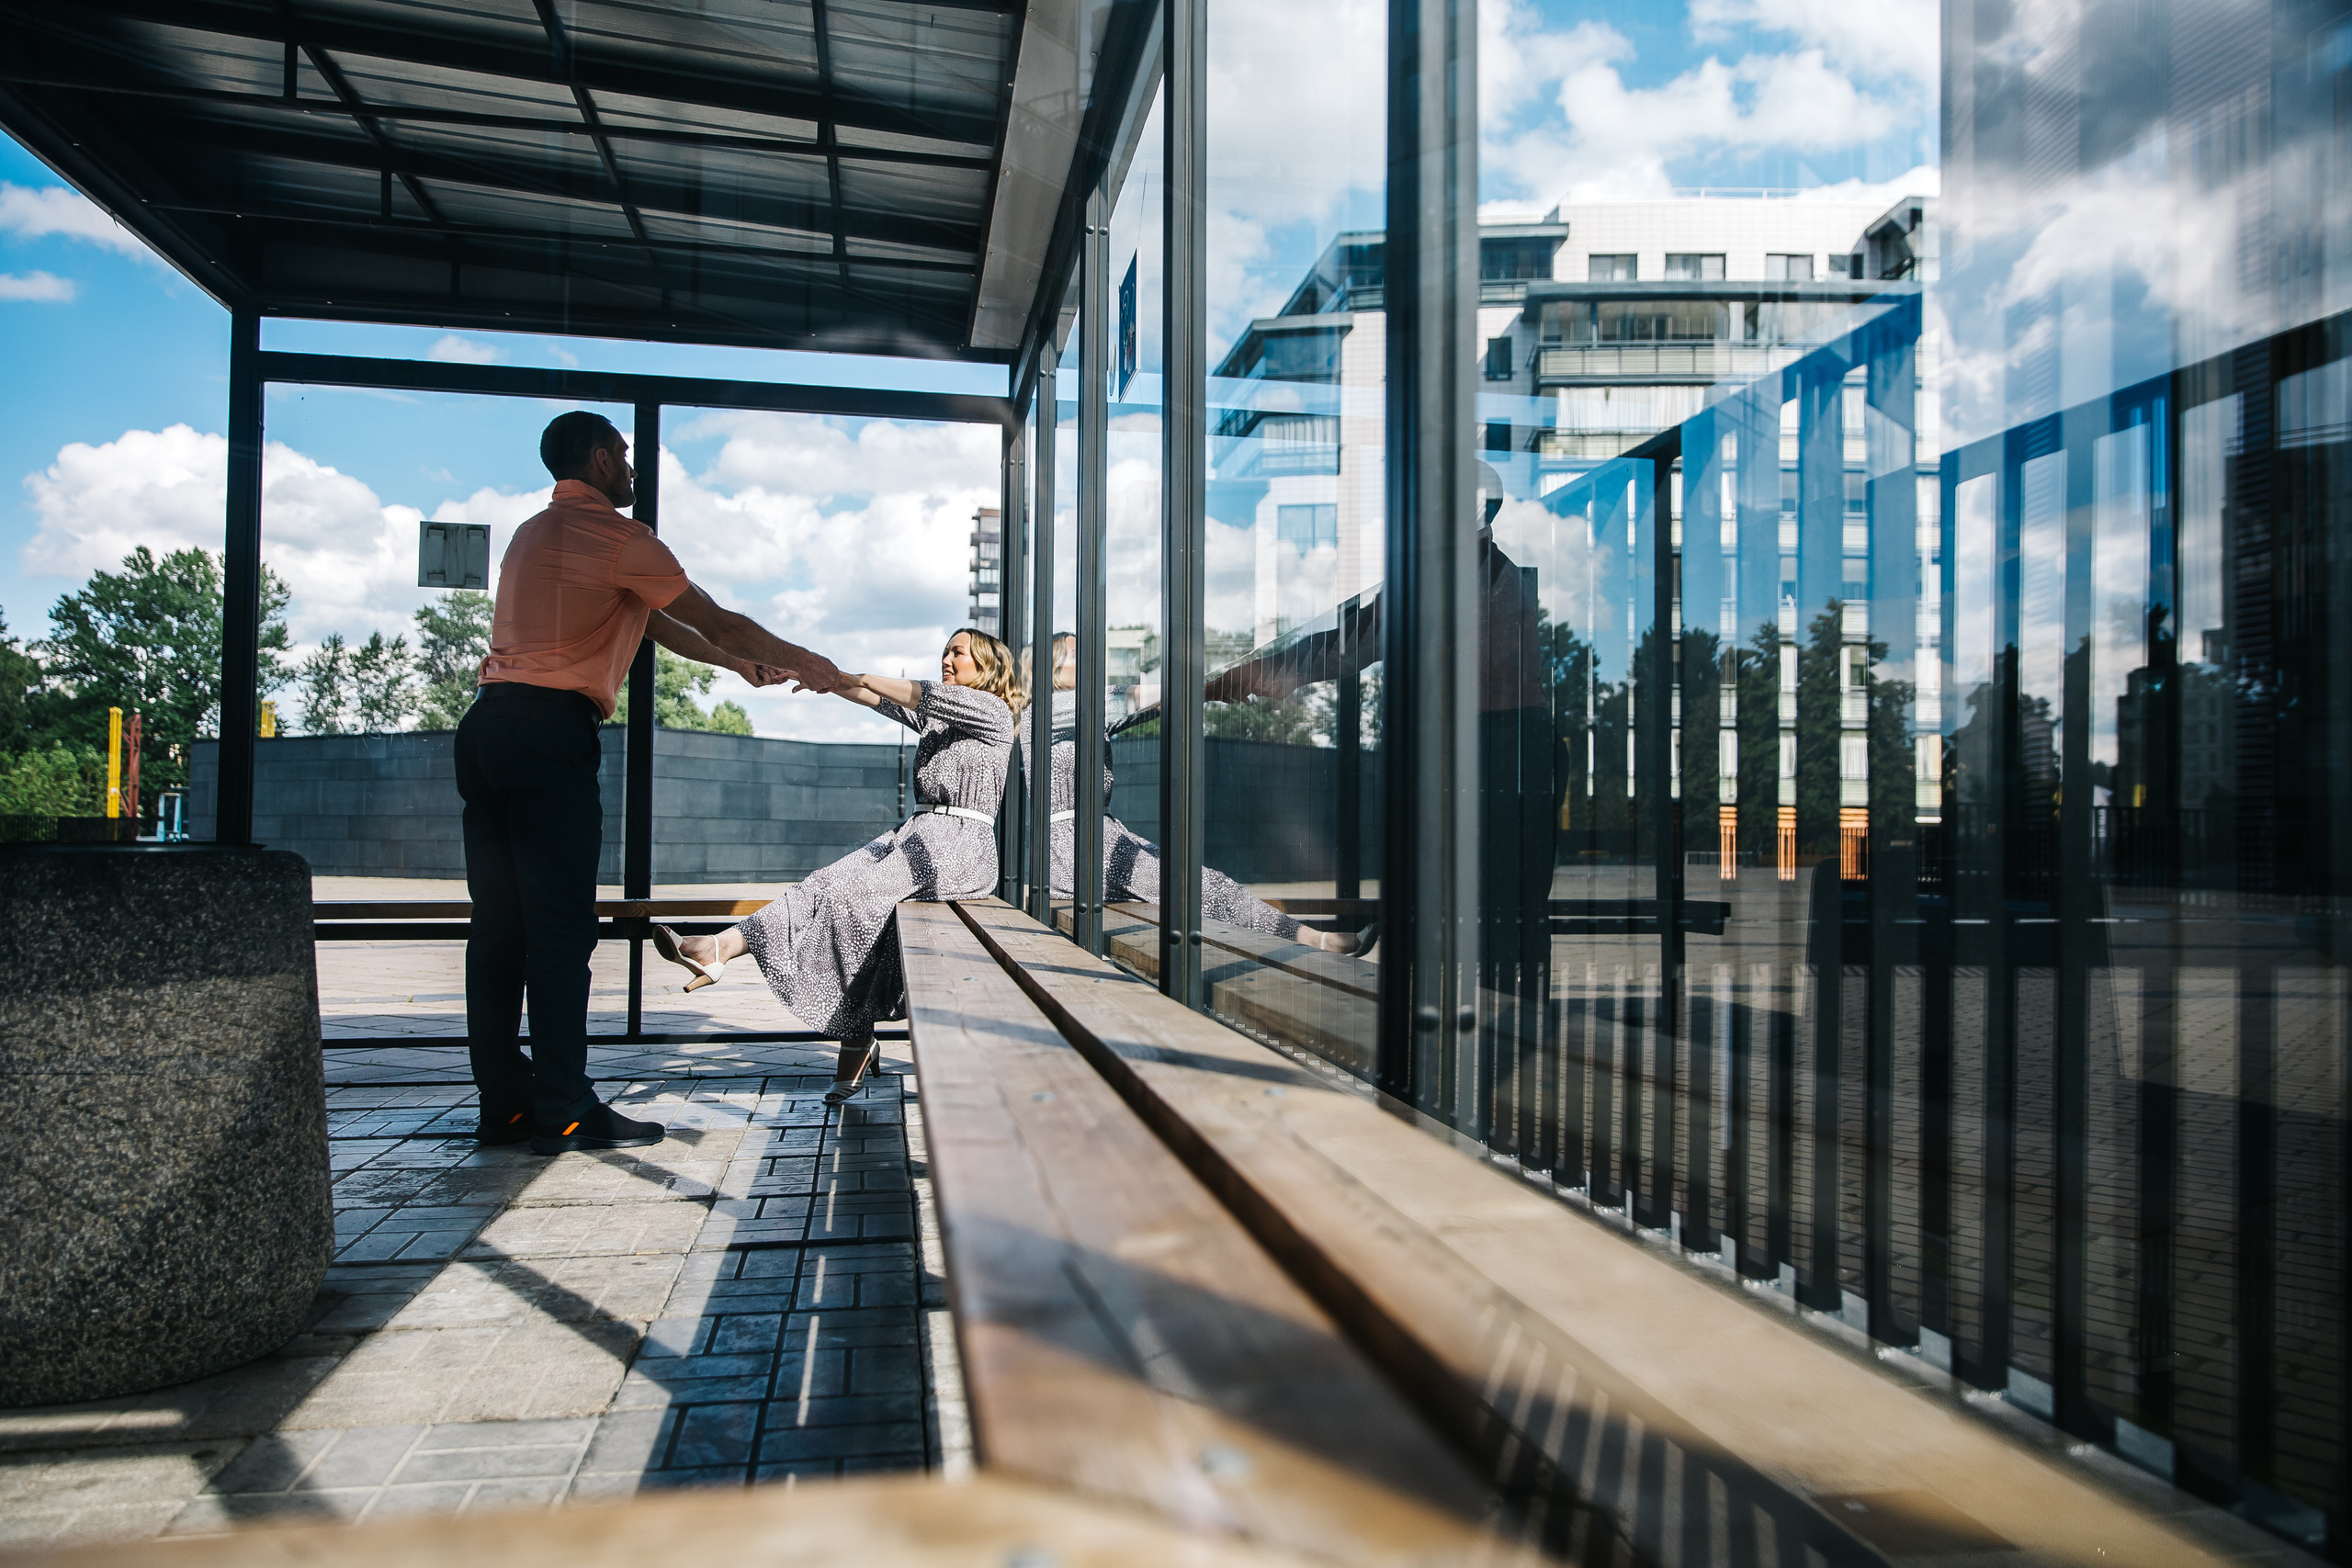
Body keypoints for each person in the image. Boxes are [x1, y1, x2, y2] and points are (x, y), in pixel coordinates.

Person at [461, 411, 839, 1156]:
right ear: (601, 460)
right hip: (549, 736)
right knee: (562, 932)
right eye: (626, 457)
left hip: (486, 731)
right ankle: (564, 1107)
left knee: (499, 929)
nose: (633, 470)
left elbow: (655, 622)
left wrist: (733, 666)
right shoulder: (620, 536)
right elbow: (719, 619)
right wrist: (812, 664)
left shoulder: (532, 534)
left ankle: (505, 1104)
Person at [650, 628, 1025, 1104]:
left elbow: (914, 693)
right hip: (916, 836)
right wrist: (816, 676)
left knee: (856, 899)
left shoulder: (992, 711)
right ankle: (718, 948)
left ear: (988, 666)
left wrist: (855, 674)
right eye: (944, 652)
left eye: (958, 653)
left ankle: (855, 1035)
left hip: (958, 846)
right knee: (822, 885)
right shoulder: (939, 723)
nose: (947, 659)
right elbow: (873, 699)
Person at [1024, 633, 1367, 953]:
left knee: (1191, 888)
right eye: (1075, 653)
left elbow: (1153, 704)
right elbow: (1133, 697)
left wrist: (1212, 690)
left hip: (1084, 845)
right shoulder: (1046, 709)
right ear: (1049, 667)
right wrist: (1214, 685)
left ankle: (1306, 939)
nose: (1088, 659)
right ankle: (1314, 940)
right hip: (1076, 849)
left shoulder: (1077, 714)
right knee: (1203, 886)